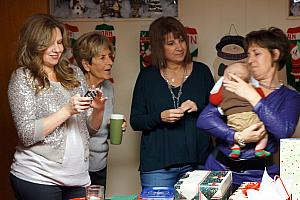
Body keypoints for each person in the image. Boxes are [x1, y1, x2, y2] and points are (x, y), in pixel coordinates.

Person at [8, 14, 107, 200]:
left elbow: (90, 130)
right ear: (34, 44)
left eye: (60, 42)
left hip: (78, 178)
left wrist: (99, 109)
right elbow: (27, 134)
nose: (57, 49)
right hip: (38, 176)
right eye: (49, 43)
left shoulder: (74, 73)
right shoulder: (23, 77)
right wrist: (67, 110)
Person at [197, 27, 300, 189]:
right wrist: (237, 136)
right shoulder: (234, 83)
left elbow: (283, 131)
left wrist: (252, 95)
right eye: (249, 54)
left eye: (256, 54)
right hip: (219, 170)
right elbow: (204, 120)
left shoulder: (290, 97)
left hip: (262, 177)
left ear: (275, 54)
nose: (250, 60)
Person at [130, 16, 215, 189]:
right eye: (171, 43)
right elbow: (136, 120)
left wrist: (199, 108)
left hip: (198, 162)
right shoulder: (147, 76)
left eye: (182, 40)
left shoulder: (202, 72)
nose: (180, 47)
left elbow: (219, 114)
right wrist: (160, 117)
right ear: (159, 47)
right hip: (157, 166)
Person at [72, 31, 127, 192]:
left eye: (110, 56)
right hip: (75, 168)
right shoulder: (73, 88)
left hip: (99, 165)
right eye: (102, 58)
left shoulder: (108, 88)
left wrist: (115, 128)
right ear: (86, 64)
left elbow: (101, 130)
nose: (110, 62)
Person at [209, 62, 270, 159]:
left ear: (228, 77)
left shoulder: (224, 89)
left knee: (232, 135)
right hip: (253, 118)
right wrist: (256, 88)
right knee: (264, 134)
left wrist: (219, 89)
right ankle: (259, 149)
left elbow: (213, 99)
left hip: (234, 120)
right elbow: (261, 98)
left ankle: (235, 148)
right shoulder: (250, 88)